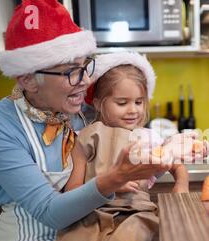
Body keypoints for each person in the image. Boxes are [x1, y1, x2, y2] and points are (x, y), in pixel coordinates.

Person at [0, 0, 169, 241]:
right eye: (70, 72)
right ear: (27, 78)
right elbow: (51, 212)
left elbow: (132, 139)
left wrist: (162, 158)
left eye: (85, 66)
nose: (85, 81)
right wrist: (111, 180)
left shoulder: (86, 113)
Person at [66, 51, 190, 193]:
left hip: (139, 212)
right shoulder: (85, 139)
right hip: (94, 214)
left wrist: (181, 184)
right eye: (122, 103)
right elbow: (72, 190)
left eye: (138, 102)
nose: (133, 110)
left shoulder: (148, 139)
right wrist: (109, 186)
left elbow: (178, 166)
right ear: (98, 104)